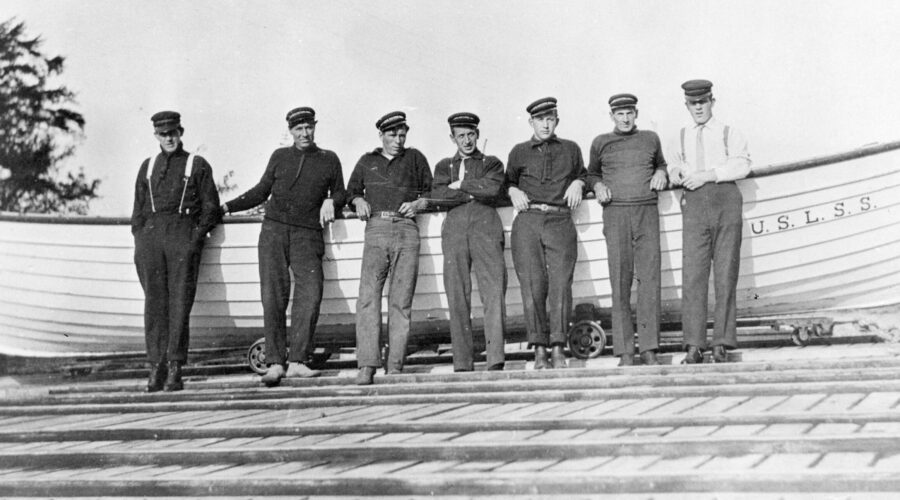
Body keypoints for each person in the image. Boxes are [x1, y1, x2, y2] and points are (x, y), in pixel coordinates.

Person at [221, 107, 346, 386]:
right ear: (290, 131)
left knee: (310, 294)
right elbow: (260, 190)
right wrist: (227, 206)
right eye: (299, 129)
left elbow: (341, 191)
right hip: (274, 232)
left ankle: (298, 361)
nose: (305, 133)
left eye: (309, 127)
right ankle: (275, 362)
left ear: (315, 127)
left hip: (307, 234)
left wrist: (331, 201)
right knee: (273, 296)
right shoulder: (279, 157)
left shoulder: (328, 159)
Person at [131, 111, 220, 392]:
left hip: (183, 235)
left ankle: (174, 368)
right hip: (151, 239)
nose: (169, 138)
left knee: (179, 303)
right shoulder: (148, 166)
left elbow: (211, 208)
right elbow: (138, 211)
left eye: (173, 133)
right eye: (163, 134)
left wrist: (193, 239)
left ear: (181, 132)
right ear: (156, 136)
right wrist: (141, 239)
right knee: (154, 304)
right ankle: (155, 367)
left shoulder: (196, 164)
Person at [668, 79, 751, 364]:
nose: (699, 108)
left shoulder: (729, 132)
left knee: (726, 274)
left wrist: (707, 174)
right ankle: (694, 344)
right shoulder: (680, 135)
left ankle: (722, 343)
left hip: (725, 200)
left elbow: (742, 165)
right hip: (694, 206)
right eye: (693, 103)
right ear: (687, 106)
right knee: (693, 275)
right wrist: (676, 172)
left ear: (712, 101)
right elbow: (672, 165)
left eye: (703, 102)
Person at [347, 111, 432, 385]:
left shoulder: (416, 158)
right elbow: (350, 192)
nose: (398, 140)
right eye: (392, 135)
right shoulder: (366, 161)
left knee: (401, 300)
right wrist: (358, 201)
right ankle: (367, 365)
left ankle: (395, 366)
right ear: (381, 135)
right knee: (368, 298)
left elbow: (431, 193)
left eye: (402, 134)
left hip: (407, 230)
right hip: (376, 229)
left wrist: (419, 204)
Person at [506, 97, 587, 370]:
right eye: (540, 119)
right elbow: (507, 181)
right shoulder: (519, 151)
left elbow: (586, 174)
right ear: (531, 122)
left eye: (550, 118)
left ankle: (557, 347)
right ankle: (539, 350)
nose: (545, 124)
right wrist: (512, 190)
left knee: (561, 285)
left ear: (557, 121)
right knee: (532, 286)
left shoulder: (570, 149)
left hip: (559, 220)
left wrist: (578, 181)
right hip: (528, 221)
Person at [588, 94, 668, 366]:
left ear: (636, 113)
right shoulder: (600, 142)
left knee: (649, 280)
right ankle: (624, 352)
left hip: (646, 210)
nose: (625, 118)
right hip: (616, 213)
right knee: (620, 281)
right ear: (612, 116)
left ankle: (649, 348)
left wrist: (661, 173)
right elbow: (592, 174)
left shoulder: (650, 138)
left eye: (629, 113)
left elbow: (661, 164)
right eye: (619, 114)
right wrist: (597, 186)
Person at [431, 112, 507, 372]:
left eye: (471, 134)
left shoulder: (492, 163)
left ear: (477, 134)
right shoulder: (443, 166)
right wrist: (472, 193)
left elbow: (493, 189)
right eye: (461, 135)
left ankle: (495, 358)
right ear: (452, 137)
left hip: (485, 226)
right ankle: (463, 362)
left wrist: (461, 185)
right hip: (455, 229)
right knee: (457, 292)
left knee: (493, 291)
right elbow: (439, 195)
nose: (467, 140)